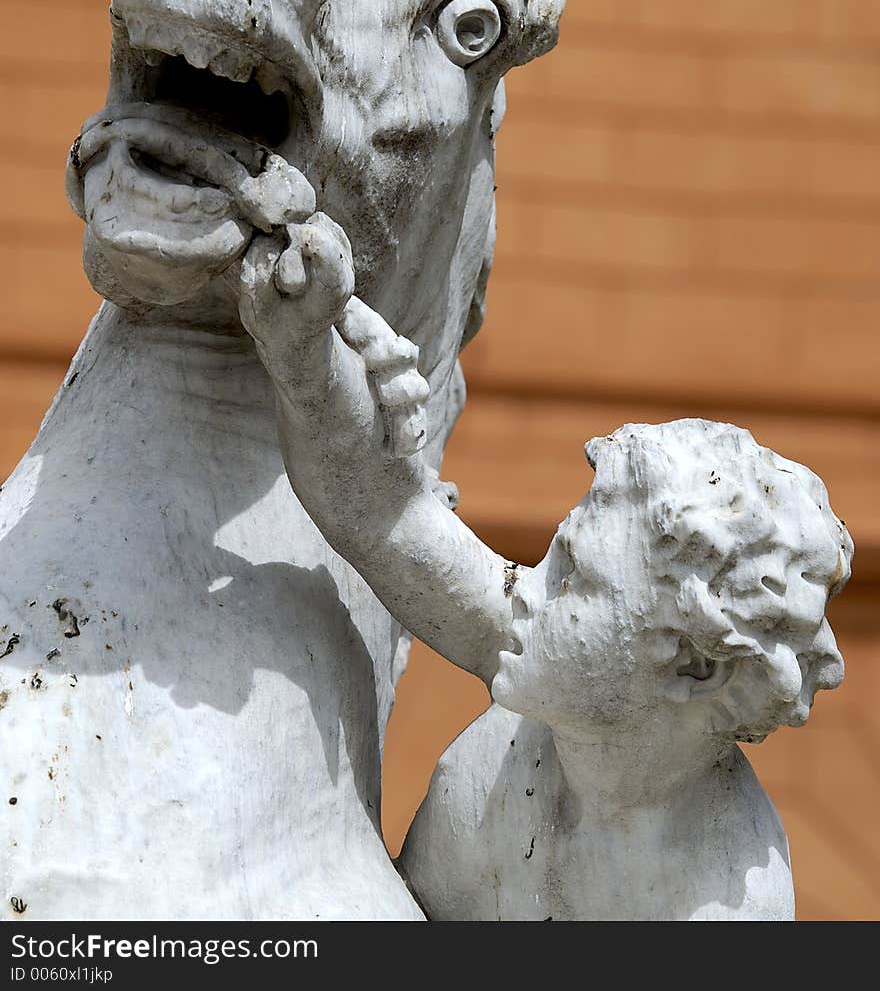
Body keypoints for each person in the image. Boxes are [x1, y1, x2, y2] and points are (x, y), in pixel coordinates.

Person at [234, 217, 853, 921]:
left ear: (689, 664)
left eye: (577, 581)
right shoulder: (549, 694)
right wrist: (306, 360)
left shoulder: (718, 903)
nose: (523, 589)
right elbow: (387, 518)